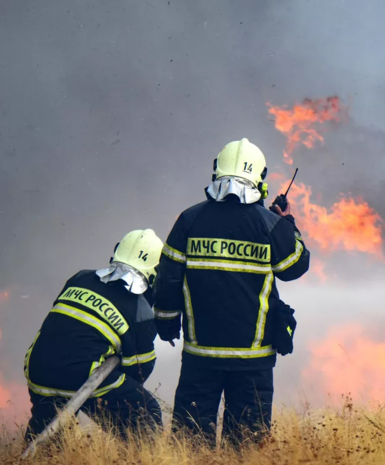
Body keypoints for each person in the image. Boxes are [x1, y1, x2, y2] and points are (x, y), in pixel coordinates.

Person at [153, 138, 310, 447]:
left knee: (190, 443)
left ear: (217, 171)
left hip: (201, 356)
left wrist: (167, 323)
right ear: (260, 179)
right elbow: (294, 267)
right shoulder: (270, 224)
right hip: (253, 361)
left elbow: (168, 280)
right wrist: (286, 221)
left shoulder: (189, 220)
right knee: (246, 447)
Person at [23, 229, 164, 442]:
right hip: (82, 376)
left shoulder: (79, 278)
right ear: (154, 273)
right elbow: (140, 372)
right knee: (145, 411)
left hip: (37, 368)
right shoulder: (141, 312)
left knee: (48, 436)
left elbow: (66, 328)